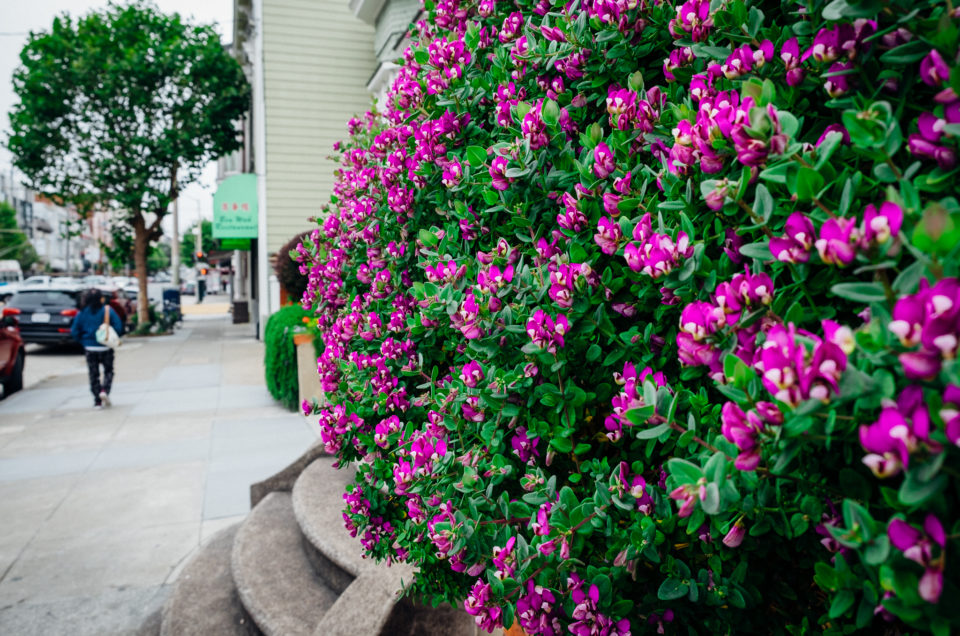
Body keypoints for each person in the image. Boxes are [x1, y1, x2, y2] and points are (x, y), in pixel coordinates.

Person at [71, 290, 123, 409]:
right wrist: (113, 338)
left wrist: (84, 341)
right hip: (105, 346)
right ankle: (104, 389)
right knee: (108, 370)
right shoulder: (107, 310)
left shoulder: (82, 313)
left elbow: (74, 331)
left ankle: (97, 400)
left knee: (93, 374)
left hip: (90, 347)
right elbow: (118, 327)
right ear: (101, 298)